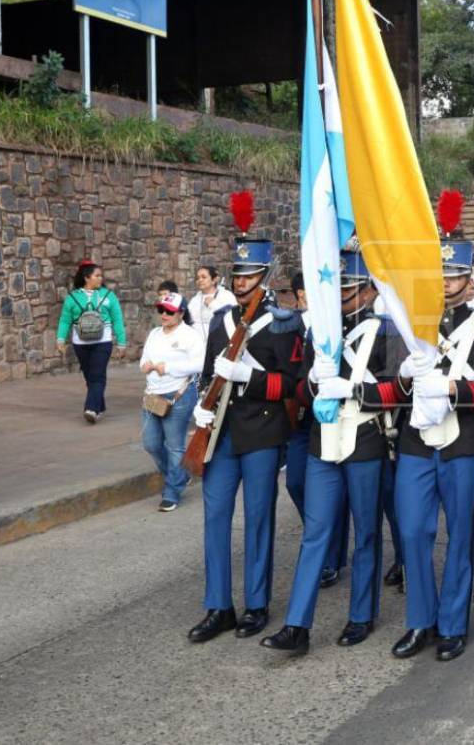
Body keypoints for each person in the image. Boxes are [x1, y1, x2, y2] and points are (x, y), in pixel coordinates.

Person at [263, 246, 396, 656]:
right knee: (315, 532)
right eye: (338, 287)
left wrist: (355, 389)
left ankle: (362, 614)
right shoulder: (320, 330)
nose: (341, 295)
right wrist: (316, 385)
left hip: (366, 435)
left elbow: (399, 391)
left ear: (369, 288)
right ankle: (297, 625)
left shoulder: (388, 329)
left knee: (366, 531)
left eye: (349, 287)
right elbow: (300, 388)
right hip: (324, 437)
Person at [389, 224, 474, 662]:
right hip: (417, 441)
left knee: (459, 535)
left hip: (463, 440)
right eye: (439, 274)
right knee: (414, 530)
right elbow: (392, 384)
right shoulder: (409, 321)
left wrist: (451, 389)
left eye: (453, 274)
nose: (445, 282)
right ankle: (421, 620)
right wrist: (404, 376)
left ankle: (453, 624)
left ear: (468, 277)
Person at [186, 224, 305, 643]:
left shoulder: (283, 324)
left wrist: (247, 378)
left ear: (266, 275)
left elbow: (289, 384)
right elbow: (207, 373)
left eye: (249, 275)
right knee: (215, 518)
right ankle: (218, 605)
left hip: (263, 432)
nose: (240, 282)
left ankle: (256, 604)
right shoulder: (222, 320)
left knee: (258, 520)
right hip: (221, 434)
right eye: (236, 275)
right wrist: (200, 409)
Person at [281, 270, 348, 590]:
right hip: (301, 415)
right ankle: (320, 536)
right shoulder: (291, 324)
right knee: (295, 481)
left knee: (339, 491)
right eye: (302, 291)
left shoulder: (335, 323)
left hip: (332, 416)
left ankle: (330, 557)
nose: (307, 295)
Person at [138, 292, 204, 512]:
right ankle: (178, 476)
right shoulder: (155, 334)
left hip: (179, 395)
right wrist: (146, 365)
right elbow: (143, 359)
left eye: (170, 311)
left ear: (181, 313)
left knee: (175, 446)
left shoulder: (190, 335)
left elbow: (200, 364)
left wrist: (169, 368)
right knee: (151, 443)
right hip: (153, 395)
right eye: (161, 310)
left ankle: (172, 491)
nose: (164, 315)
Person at [56, 261, 126, 423]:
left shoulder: (109, 296)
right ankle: (99, 406)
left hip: (103, 342)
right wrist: (60, 338)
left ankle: (91, 408)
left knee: (97, 376)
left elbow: (117, 320)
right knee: (90, 377)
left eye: (101, 275)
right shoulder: (72, 298)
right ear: (87, 277)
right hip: (80, 344)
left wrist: (121, 343)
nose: (101, 278)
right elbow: (65, 320)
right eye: (97, 275)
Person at [187, 265, 238, 341]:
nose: (200, 280)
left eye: (204, 277)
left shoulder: (226, 295)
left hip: (219, 339)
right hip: (197, 342)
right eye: (198, 278)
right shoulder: (195, 299)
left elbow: (232, 316)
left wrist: (213, 304)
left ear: (214, 280)